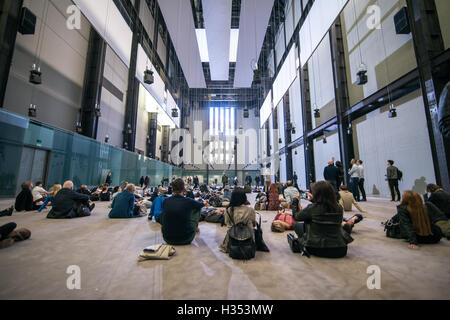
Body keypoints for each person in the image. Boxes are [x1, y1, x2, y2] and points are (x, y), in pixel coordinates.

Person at [290, 181, 356, 258]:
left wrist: (294, 201)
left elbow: (296, 217)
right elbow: (324, 207)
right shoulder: (339, 208)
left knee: (296, 226)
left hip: (317, 248)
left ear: (317, 194)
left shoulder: (312, 208)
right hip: (340, 249)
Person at [160, 179, 206, 245]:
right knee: (197, 209)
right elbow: (201, 204)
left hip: (167, 239)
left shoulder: (165, 201)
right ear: (184, 189)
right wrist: (204, 202)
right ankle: (195, 228)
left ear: (172, 189)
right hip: (186, 238)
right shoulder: (188, 201)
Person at [219, 188, 256, 253]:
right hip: (248, 237)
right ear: (244, 198)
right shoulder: (250, 210)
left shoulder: (228, 210)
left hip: (233, 236)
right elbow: (254, 223)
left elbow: (227, 223)